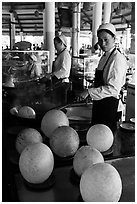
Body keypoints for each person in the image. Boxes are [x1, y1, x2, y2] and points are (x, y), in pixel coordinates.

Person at [78, 23, 128, 134]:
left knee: (104, 141)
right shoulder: (104, 57)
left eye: (106, 39)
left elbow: (113, 89)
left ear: (114, 38)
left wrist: (89, 92)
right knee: (95, 137)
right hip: (100, 105)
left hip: (109, 108)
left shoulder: (117, 59)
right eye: (100, 40)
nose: (102, 43)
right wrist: (91, 93)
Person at [46, 34, 72, 104]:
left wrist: (52, 74)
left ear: (61, 43)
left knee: (61, 103)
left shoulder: (65, 54)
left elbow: (64, 70)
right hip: (59, 82)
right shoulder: (61, 54)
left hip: (62, 83)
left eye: (56, 44)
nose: (54, 46)